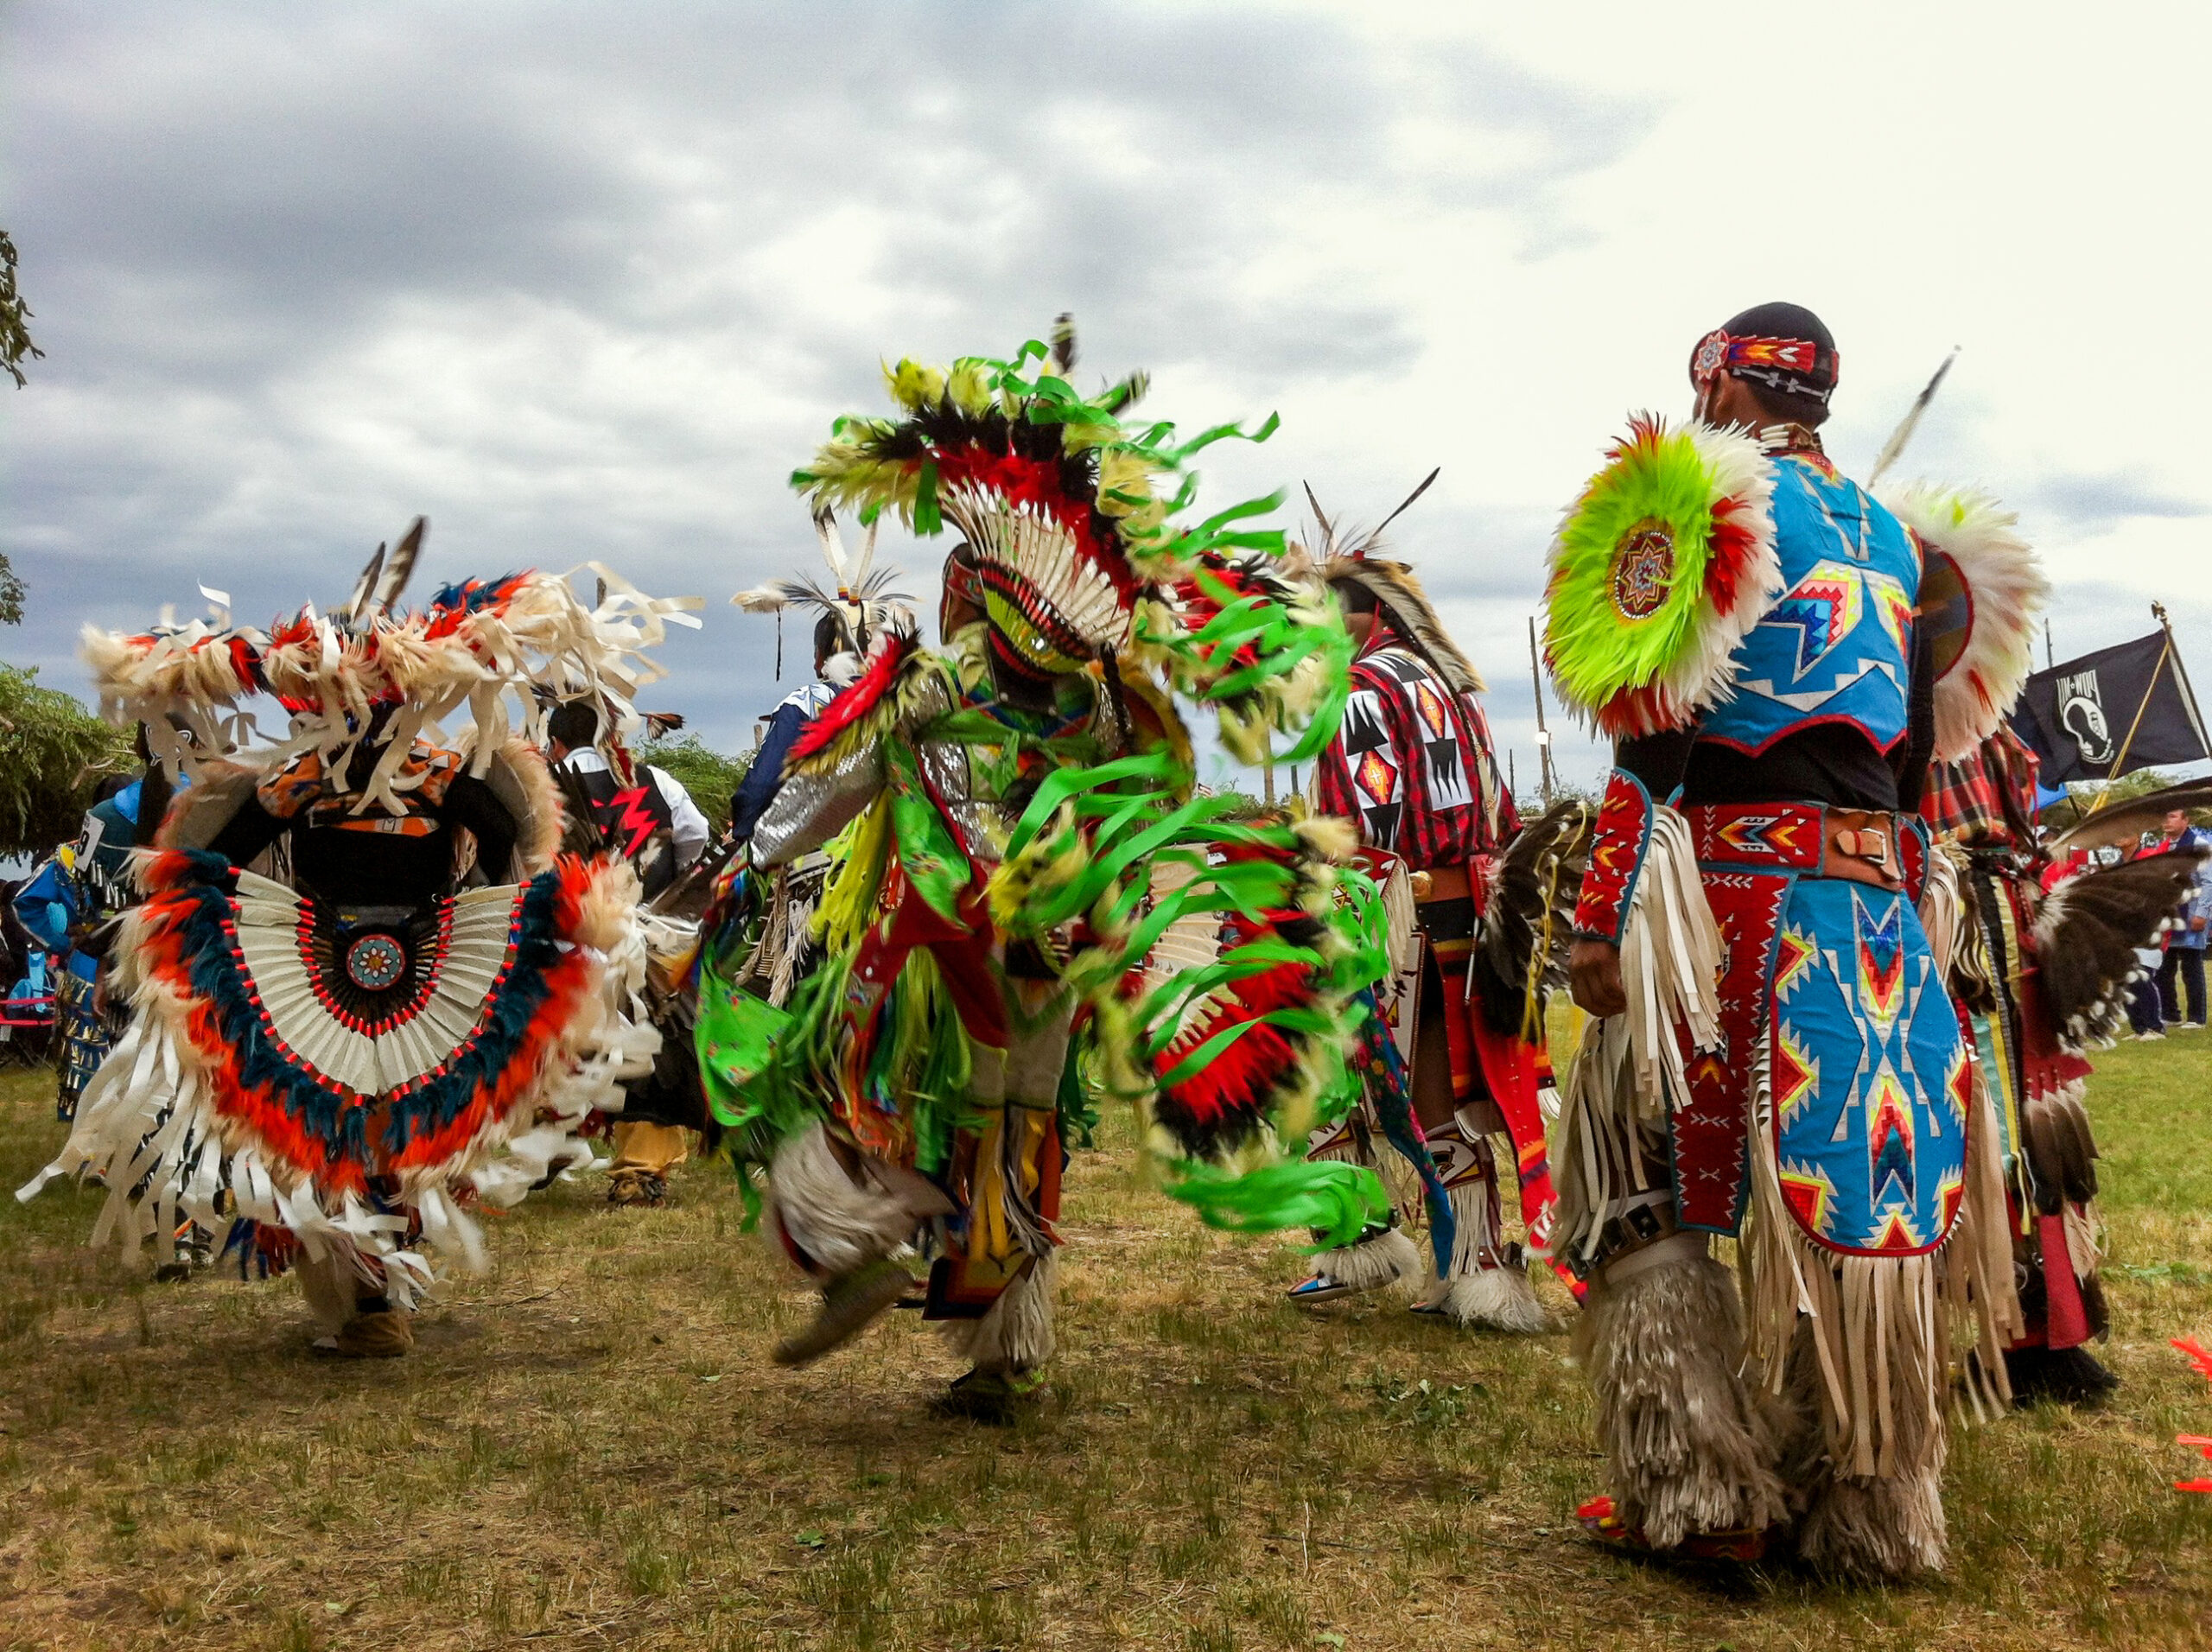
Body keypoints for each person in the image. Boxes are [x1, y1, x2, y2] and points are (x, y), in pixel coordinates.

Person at [698, 321, 1387, 1418]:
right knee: (1025, 1114)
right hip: (1053, 940)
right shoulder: (1104, 695)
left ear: (974, 590)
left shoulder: (933, 683)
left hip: (946, 935)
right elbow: (1150, 805)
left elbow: (833, 786)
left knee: (873, 1084)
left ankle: (867, 1244)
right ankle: (1004, 1340)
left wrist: (751, 852)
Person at [1545, 303, 2043, 1577]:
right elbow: (1919, 763)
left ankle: (1704, 1495)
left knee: (1637, 1180)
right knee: (1863, 1216)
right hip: (1876, 920)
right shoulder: (1914, 552)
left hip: (1728, 911)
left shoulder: (1694, 502)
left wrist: (1600, 919)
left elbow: (1649, 736)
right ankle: (1871, 1514)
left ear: (1717, 383)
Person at [19, 524, 684, 1357]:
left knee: (388, 1137)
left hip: (431, 968)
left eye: (376, 703)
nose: (366, 718)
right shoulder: (315, 784)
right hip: (321, 971)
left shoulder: (442, 780)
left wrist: (537, 925)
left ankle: (377, 1291)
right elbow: (210, 865)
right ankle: (368, 1299)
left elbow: (520, 862)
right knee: (338, 1135)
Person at [1295, 489, 1560, 1331]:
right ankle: (1472, 1273)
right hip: (1466, 917)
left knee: (1346, 1086)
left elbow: (1361, 833)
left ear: (1362, 616)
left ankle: (1369, 1245)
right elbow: (1505, 815)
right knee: (1440, 1104)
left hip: (1396, 917)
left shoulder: (1364, 689)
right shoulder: (1453, 691)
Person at [1924, 728, 2200, 1404]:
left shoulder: (1943, 730)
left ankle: (2033, 1343)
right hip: (1996, 923)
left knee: (2010, 1138)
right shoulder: (1989, 733)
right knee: (2015, 1129)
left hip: (1972, 933)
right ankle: (2042, 1338)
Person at [546, 697, 715, 1207]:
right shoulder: (653, 781)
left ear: (555, 742)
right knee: (652, 1047)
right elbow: (697, 836)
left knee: (564, 1047)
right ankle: (639, 1170)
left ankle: (553, 1145)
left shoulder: (542, 788)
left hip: (568, 943)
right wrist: (667, 891)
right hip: (650, 936)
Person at [2147, 807, 2212, 1030]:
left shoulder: (2199, 845)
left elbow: (2208, 881)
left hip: (2192, 912)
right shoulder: (2163, 847)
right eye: (2165, 816)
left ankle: (2196, 1017)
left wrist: (2202, 913)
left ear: (2186, 820)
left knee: (2191, 966)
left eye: (2173, 816)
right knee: (2164, 967)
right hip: (2168, 914)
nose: (2167, 820)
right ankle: (2170, 1013)